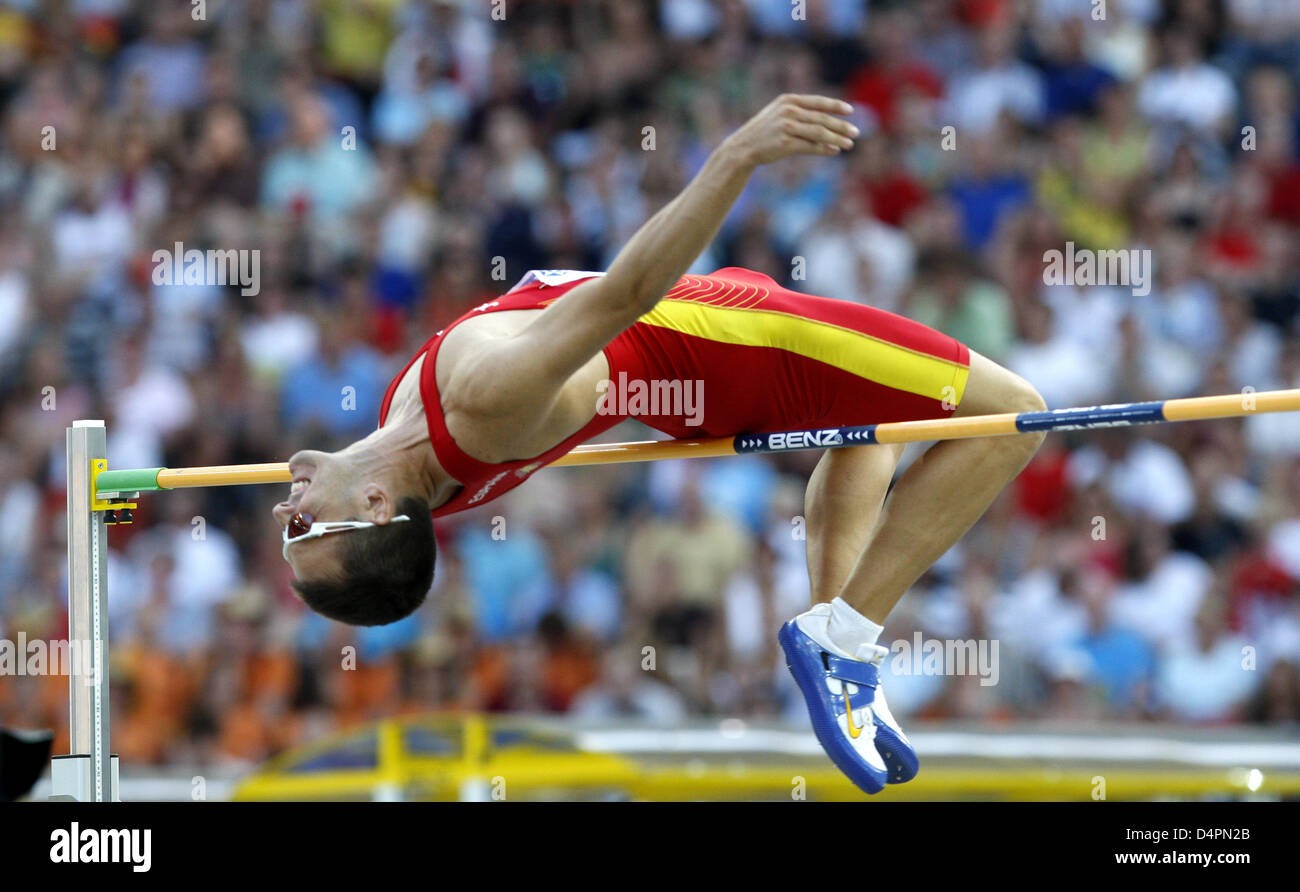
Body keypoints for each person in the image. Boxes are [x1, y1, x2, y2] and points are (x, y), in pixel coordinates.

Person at [272, 94, 1047, 794]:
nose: (286, 509)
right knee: (1012, 415)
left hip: (703, 373)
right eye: (303, 529)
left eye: (288, 530)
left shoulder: (405, 439)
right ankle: (846, 641)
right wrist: (737, 153)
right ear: (376, 505)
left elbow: (379, 512)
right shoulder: (479, 404)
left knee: (871, 433)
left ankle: (840, 647)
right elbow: (626, 292)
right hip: (742, 342)